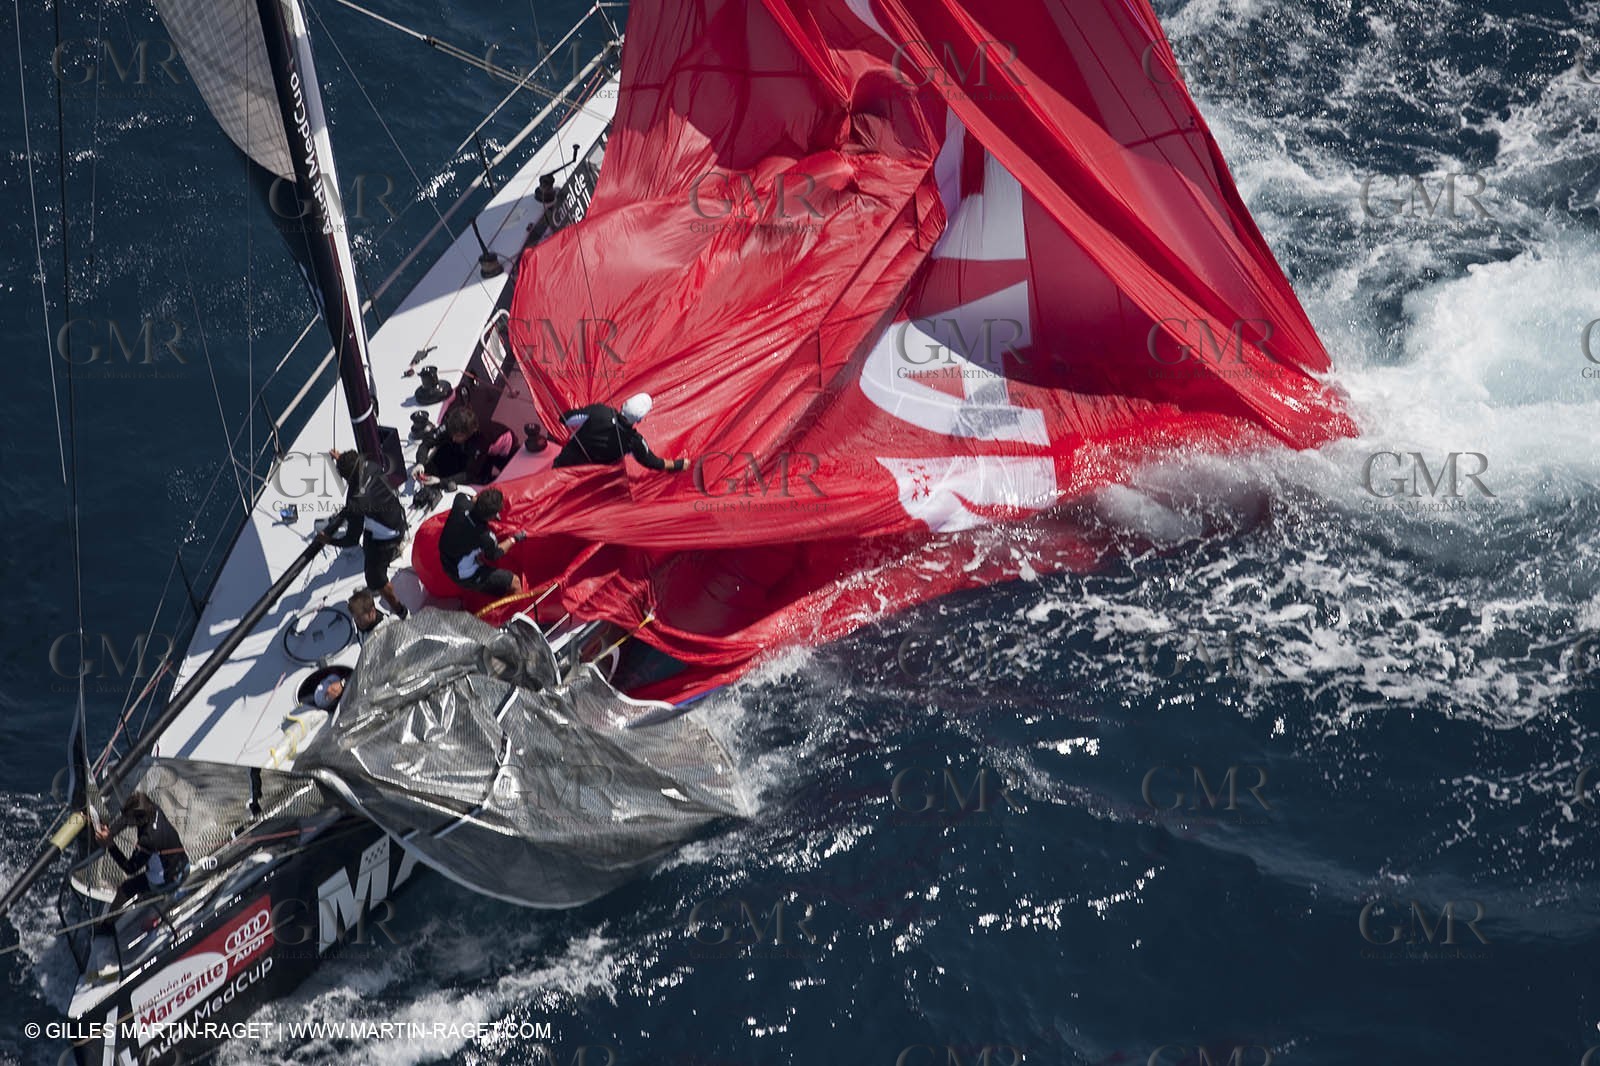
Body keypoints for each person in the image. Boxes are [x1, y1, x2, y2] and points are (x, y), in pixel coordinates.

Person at [318, 450, 410, 619]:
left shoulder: (356, 502)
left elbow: (352, 540)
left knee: (375, 578)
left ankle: (401, 611)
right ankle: (392, 553)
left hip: (387, 536)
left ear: (345, 477)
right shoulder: (372, 465)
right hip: (397, 517)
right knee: (368, 548)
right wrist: (344, 461)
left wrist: (329, 540)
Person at [92, 792, 189, 935]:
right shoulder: (153, 809)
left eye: (129, 819)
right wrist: (111, 832)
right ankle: (150, 894)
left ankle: (107, 926)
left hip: (169, 880)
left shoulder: (148, 840)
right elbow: (126, 819)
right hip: (184, 864)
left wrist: (110, 845)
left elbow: (130, 868)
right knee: (152, 867)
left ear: (139, 820)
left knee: (125, 888)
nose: (125, 821)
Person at [552, 393, 689, 472]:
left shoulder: (599, 411)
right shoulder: (634, 442)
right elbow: (654, 463)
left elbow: (565, 419)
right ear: (640, 420)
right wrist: (679, 465)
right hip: (593, 480)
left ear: (623, 405)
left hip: (564, 465)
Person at [438, 488, 526, 597]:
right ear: (491, 517)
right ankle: (518, 611)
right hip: (463, 575)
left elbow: (472, 498)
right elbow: (494, 555)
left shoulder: (460, 500)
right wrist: (514, 539)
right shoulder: (486, 537)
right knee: (515, 582)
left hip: (445, 559)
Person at [418, 404, 517, 485]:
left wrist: (441, 482)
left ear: (468, 434)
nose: (453, 438)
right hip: (479, 446)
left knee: (490, 477)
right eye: (452, 434)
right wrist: (420, 463)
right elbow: (427, 442)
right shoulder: (451, 425)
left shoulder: (479, 441)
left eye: (457, 436)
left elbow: (470, 474)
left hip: (503, 449)